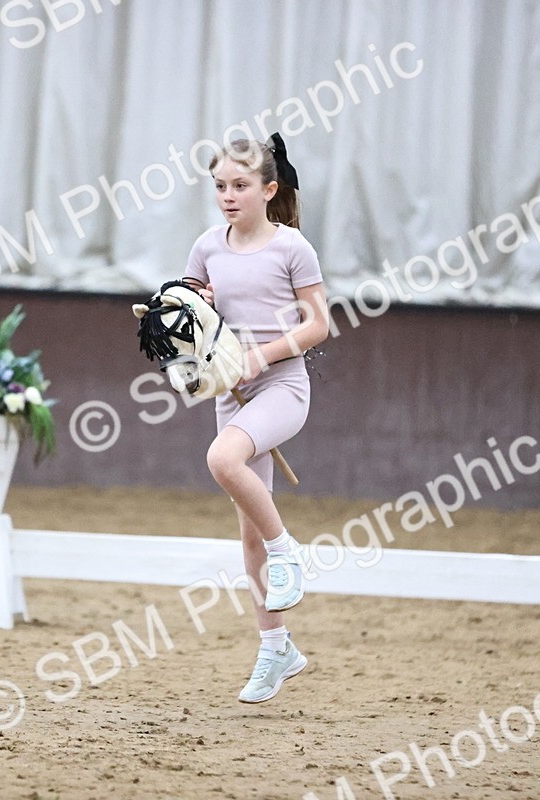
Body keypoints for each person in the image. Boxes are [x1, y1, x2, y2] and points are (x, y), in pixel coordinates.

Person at [184, 133, 329, 703]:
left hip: (282, 386)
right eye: (219, 186)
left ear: (269, 190)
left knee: (222, 458)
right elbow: (192, 316)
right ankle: (277, 649)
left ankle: (289, 550)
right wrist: (192, 313)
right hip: (231, 392)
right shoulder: (205, 247)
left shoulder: (293, 247)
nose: (227, 195)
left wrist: (258, 356)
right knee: (248, 536)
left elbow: (317, 326)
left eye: (239, 185)